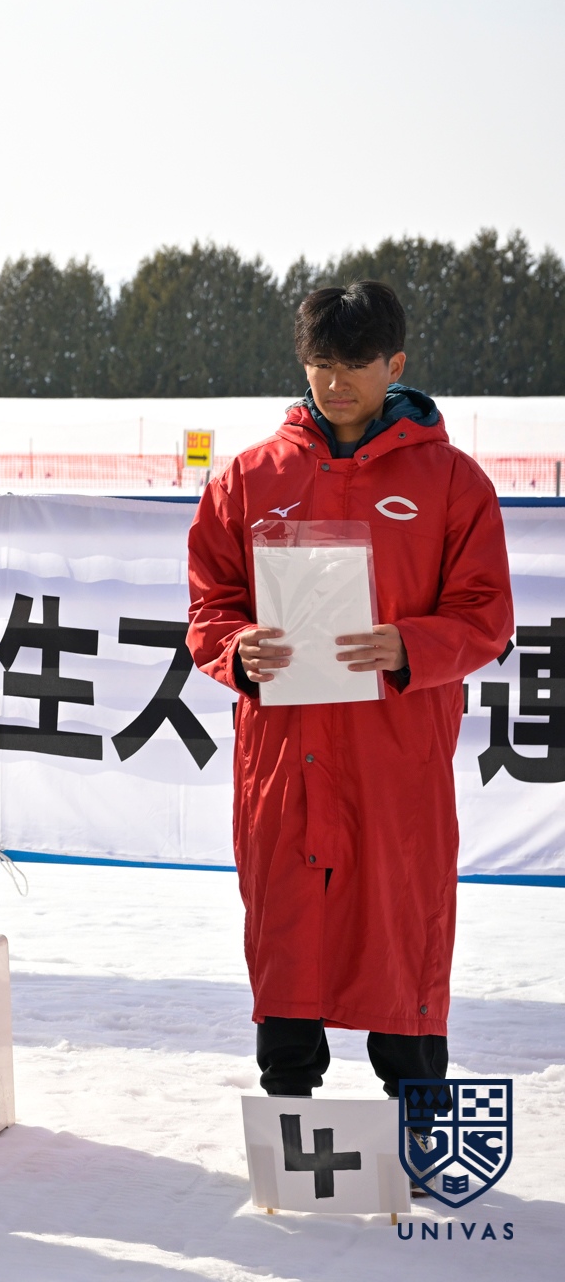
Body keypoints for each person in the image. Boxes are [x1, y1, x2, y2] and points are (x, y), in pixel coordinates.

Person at [187, 280, 511, 1099]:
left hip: (394, 754)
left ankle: (419, 1121)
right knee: (289, 933)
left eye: (356, 364)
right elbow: (209, 608)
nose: (336, 383)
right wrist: (237, 648)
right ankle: (290, 1116)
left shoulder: (452, 481)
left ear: (394, 365)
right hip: (285, 754)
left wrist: (412, 645)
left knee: (400, 931)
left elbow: (486, 614)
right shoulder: (249, 477)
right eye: (321, 363)